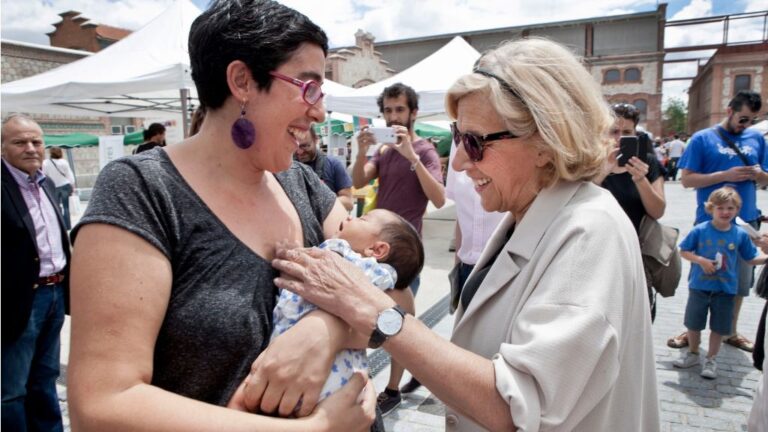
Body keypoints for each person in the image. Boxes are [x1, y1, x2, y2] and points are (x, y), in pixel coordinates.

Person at [271, 38, 660, 431]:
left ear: (546, 140)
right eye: (458, 137)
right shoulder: (531, 216)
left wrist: (374, 311)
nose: (458, 160)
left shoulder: (589, 233)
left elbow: (517, 406)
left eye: (474, 142)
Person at [66, 1, 376, 431]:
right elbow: (101, 405)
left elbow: (388, 298)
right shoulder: (143, 191)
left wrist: (324, 330)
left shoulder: (302, 185)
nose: (319, 111)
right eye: (308, 87)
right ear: (242, 81)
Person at [351, 82, 446, 413]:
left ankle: (393, 390)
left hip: (405, 253)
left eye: (399, 110)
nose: (393, 117)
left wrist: (413, 159)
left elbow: (438, 198)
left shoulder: (426, 151)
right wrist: (362, 151)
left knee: (399, 324)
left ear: (413, 112)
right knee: (368, 320)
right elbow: (359, 182)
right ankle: (397, 378)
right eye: (388, 110)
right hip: (375, 250)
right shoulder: (384, 150)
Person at [264, 209, 423, 405]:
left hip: (324, 378)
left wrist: (293, 255)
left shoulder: (359, 264)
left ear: (377, 250)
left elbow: (397, 301)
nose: (349, 217)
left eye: (362, 218)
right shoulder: (361, 264)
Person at [668, 90, 767, 353]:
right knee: (703, 277)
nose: (745, 125)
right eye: (743, 118)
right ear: (730, 111)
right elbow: (687, 180)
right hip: (709, 224)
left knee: (739, 280)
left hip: (745, 223)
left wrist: (760, 174)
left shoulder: (757, 138)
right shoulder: (703, 139)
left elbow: (767, 178)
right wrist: (725, 174)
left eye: (752, 119)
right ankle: (692, 330)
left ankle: (729, 331)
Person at [2, 114, 70, 432]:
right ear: (2, 148)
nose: (30, 148)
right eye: (20, 142)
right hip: (17, 300)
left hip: (53, 294)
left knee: (45, 380)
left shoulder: (47, 184)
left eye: (36, 141)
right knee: (11, 390)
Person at [674, 187, 767, 379]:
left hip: (725, 289)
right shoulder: (700, 230)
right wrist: (701, 261)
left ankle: (711, 358)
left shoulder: (740, 234)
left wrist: (766, 259)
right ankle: (692, 353)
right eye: (720, 208)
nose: (725, 212)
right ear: (711, 208)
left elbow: (750, 258)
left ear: (737, 210)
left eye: (730, 208)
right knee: (694, 323)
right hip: (699, 286)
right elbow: (684, 251)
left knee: (719, 326)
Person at [596, 102, 666, 320]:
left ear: (636, 134)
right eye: (613, 131)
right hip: (598, 252)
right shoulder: (593, 163)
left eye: (626, 133)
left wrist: (640, 179)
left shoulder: (648, 163)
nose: (619, 138)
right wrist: (602, 171)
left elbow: (658, 210)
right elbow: (575, 202)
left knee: (636, 318)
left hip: (635, 254)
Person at [295, 126, 354, 211]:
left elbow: (348, 202)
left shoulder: (333, 164)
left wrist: (316, 202)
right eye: (296, 146)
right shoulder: (286, 166)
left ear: (316, 140)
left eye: (305, 146)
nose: (299, 152)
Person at [42, 146, 76, 230]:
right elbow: (69, 174)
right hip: (65, 185)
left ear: (50, 153)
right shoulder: (63, 162)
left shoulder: (45, 163)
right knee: (66, 207)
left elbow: (44, 174)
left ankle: (60, 225)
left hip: (53, 187)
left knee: (56, 206)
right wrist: (72, 185)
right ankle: (68, 226)